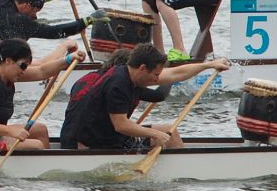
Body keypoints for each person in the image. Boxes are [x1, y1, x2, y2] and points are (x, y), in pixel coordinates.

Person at [60, 45, 230, 151]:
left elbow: (174, 74)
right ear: (142, 68)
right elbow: (121, 125)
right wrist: (154, 134)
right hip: (90, 143)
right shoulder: (118, 84)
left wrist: (209, 65)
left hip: (100, 135)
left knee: (169, 130)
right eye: (155, 75)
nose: (157, 80)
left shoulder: (129, 74)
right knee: (163, 134)